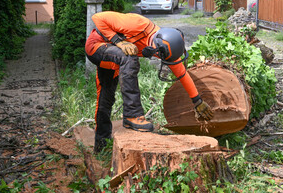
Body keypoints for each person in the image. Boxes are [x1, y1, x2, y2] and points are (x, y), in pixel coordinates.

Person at [85, 11, 213, 152]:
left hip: (116, 60)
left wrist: (198, 102)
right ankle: (132, 116)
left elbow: (183, 75)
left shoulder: (167, 47)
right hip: (97, 46)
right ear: (156, 46)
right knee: (130, 57)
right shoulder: (138, 24)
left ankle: (101, 146)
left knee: (105, 97)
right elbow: (97, 17)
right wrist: (119, 42)